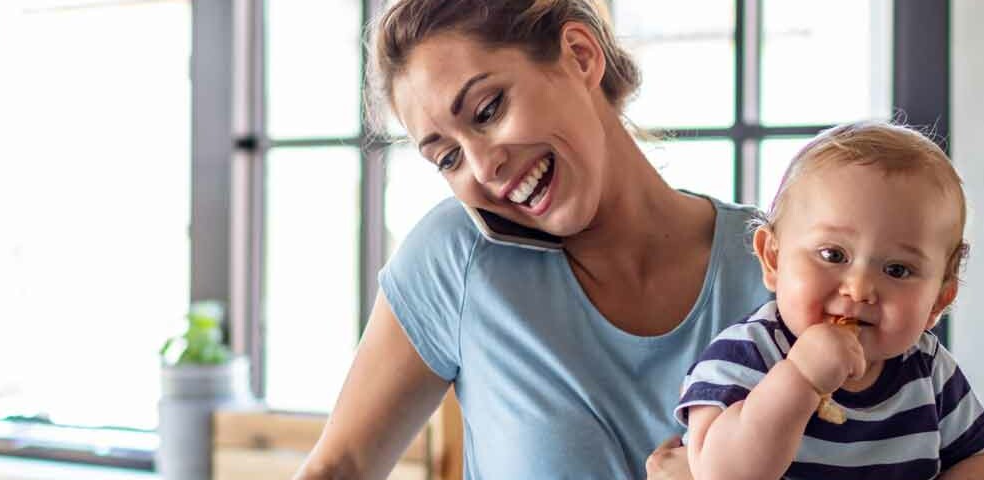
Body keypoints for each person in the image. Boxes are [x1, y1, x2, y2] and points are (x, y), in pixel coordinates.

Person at [296, 1, 769, 478]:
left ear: (580, 56)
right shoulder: (457, 260)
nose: (482, 168)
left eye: (487, 110)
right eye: (448, 158)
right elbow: (341, 467)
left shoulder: (781, 264)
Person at [675, 122, 984, 479]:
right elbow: (722, 474)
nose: (860, 288)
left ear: (939, 300)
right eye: (833, 255)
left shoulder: (929, 370)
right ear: (773, 259)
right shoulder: (748, 355)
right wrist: (801, 378)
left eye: (897, 269)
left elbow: (980, 460)